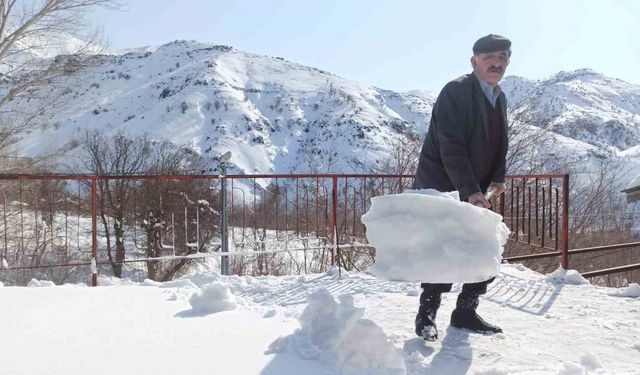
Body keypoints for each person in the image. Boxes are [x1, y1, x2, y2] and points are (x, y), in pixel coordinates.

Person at [412, 34, 511, 341]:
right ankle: (426, 315)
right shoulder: (456, 91)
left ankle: (465, 311)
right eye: (488, 58)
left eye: (502, 57)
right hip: (444, 188)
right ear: (474, 62)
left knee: (484, 249)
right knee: (443, 251)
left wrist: (497, 176)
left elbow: (499, 144)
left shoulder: (499, 96)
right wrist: (470, 190)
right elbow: (450, 147)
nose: (496, 63)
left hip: (478, 188)